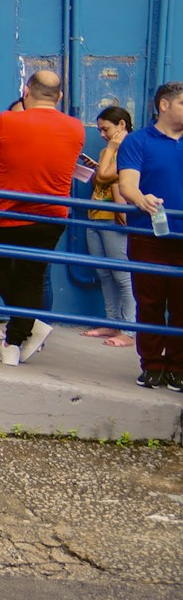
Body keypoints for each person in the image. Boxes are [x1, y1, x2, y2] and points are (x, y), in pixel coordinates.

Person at [0, 70, 83, 366]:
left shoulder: (6, 120)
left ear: (26, 92)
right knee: (31, 276)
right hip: (52, 216)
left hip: (8, 212)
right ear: (59, 96)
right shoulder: (76, 127)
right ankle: (17, 339)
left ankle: (22, 331)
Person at [116, 82, 183, 389]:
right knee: (149, 303)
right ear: (164, 105)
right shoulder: (138, 141)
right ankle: (153, 365)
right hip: (148, 236)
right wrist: (141, 199)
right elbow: (128, 185)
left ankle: (178, 368)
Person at [82, 106, 137, 346]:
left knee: (122, 275)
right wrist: (99, 164)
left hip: (115, 219)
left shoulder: (130, 148)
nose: (103, 134)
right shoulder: (108, 150)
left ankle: (129, 329)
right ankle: (112, 322)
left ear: (122, 125)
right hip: (96, 215)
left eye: (106, 129)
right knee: (104, 273)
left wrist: (111, 151)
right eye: (100, 130)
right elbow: (101, 179)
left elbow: (107, 177)